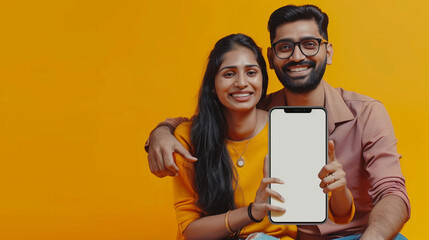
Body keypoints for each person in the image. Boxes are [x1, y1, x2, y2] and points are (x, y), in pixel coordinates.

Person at [146, 5, 410, 240]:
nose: (297, 56)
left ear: (328, 52)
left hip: (354, 235)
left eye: (309, 44)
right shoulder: (256, 107)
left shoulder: (367, 113)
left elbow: (392, 192)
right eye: (285, 47)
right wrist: (162, 132)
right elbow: (208, 120)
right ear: (271, 58)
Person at [171, 33, 354, 240]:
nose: (241, 83)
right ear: (212, 85)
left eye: (251, 72)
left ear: (262, 80)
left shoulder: (290, 130)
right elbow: (189, 230)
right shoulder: (189, 138)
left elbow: (340, 216)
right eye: (229, 74)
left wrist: (339, 188)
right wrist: (251, 213)